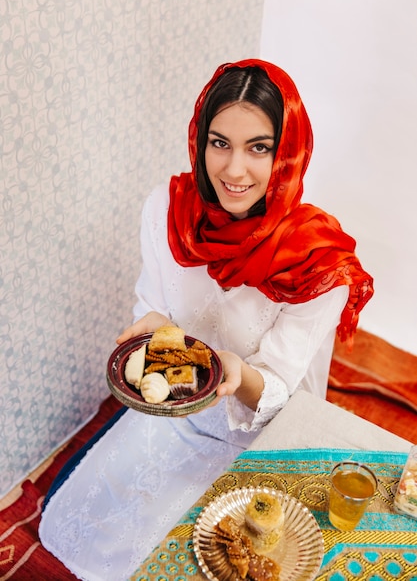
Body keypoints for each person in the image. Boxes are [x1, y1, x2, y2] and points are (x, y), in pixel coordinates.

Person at [39, 59, 373, 580]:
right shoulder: (166, 211)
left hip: (263, 429)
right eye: (220, 143)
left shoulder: (318, 260)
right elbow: (152, 303)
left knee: (223, 559)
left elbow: (283, 388)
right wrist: (149, 318)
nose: (234, 171)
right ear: (199, 141)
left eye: (258, 147)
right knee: (84, 527)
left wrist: (238, 374)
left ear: (288, 153)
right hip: (179, 410)